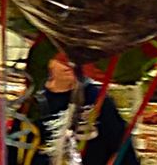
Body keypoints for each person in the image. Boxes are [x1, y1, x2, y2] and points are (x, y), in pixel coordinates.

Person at [9, 52, 140, 165]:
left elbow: (123, 148)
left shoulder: (97, 100)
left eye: (75, 59)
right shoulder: (34, 102)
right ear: (47, 62)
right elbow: (13, 152)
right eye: (61, 59)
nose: (69, 64)